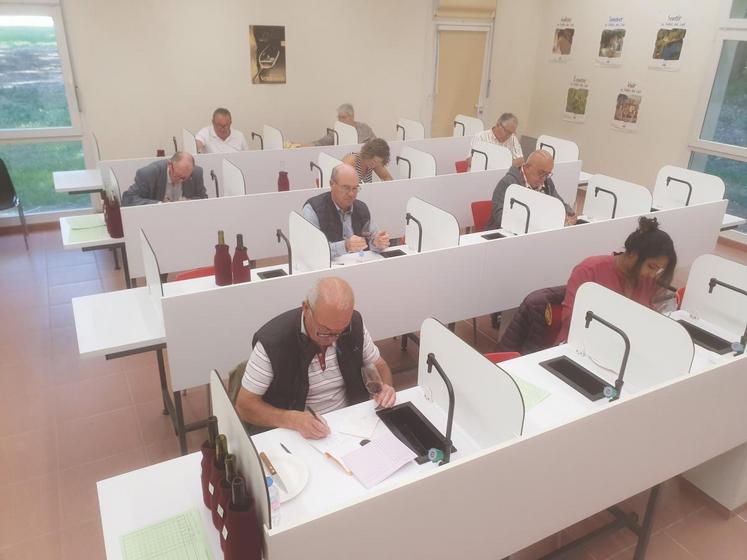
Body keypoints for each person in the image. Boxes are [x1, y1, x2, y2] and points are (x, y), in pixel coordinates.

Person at [235, 277, 396, 438]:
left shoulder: (353, 325)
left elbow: (380, 366)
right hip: (297, 432)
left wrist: (385, 389)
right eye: (325, 331)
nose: (333, 339)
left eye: (341, 331)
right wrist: (293, 419)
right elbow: (244, 406)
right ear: (306, 308)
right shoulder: (274, 341)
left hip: (350, 424)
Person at [556, 216, 677, 343]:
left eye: (658, 270)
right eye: (651, 266)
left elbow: (648, 320)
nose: (652, 275)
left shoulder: (648, 281)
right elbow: (570, 319)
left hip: (623, 345)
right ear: (633, 253)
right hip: (580, 343)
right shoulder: (590, 270)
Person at [302, 164, 390, 258]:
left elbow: (372, 238)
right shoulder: (313, 209)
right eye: (346, 188)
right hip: (330, 265)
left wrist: (377, 243)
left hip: (359, 263)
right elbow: (312, 249)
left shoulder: (361, 208)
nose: (351, 194)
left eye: (355, 188)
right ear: (332, 184)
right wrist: (345, 246)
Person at [484, 149, 576, 231]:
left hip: (536, 231)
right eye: (541, 173)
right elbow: (501, 217)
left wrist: (569, 214)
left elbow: (559, 203)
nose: (544, 178)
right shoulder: (508, 183)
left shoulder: (547, 183)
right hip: (505, 235)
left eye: (547, 174)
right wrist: (534, 222)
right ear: (527, 167)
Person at [121, 152, 207, 206]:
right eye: (178, 176)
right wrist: (159, 205)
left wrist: (189, 201)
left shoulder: (196, 173)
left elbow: (203, 199)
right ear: (170, 165)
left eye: (185, 178)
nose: (181, 180)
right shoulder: (149, 173)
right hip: (155, 218)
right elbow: (128, 199)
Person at [310, 103, 376, 146]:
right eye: (339, 117)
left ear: (352, 117)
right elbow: (322, 142)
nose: (341, 120)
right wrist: (307, 145)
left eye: (343, 117)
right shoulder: (336, 130)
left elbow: (376, 143)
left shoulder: (365, 128)